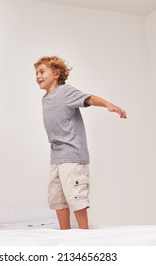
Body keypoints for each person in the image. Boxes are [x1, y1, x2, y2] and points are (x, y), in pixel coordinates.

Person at [34, 56, 127, 229]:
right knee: (57, 198)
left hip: (73, 155)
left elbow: (89, 98)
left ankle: (84, 235)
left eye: (42, 71)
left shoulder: (65, 92)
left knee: (75, 196)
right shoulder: (45, 98)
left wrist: (108, 104)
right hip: (56, 156)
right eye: (36, 73)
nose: (38, 76)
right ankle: (65, 234)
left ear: (56, 73)